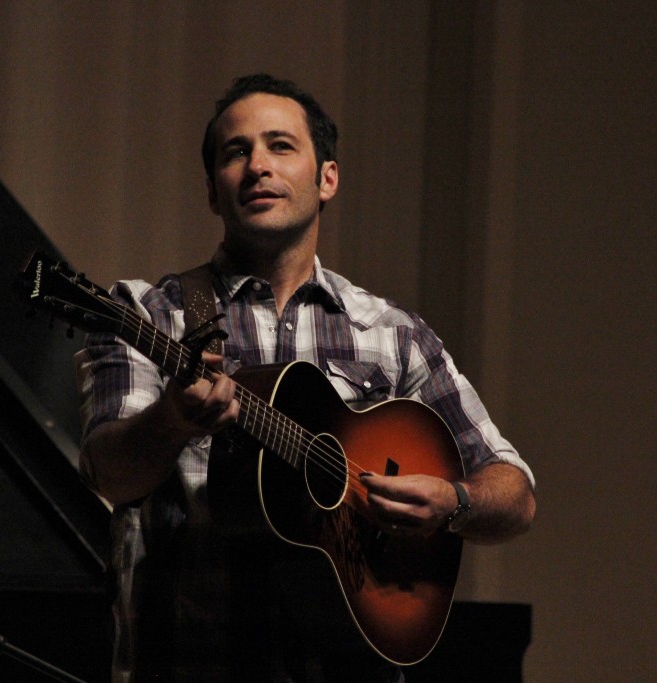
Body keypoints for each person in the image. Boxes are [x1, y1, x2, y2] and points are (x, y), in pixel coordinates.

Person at [76, 73, 536, 682]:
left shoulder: (391, 333)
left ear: (327, 178)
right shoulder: (149, 313)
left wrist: (455, 501)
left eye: (280, 146)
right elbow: (110, 473)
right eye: (235, 152)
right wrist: (171, 420)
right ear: (214, 191)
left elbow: (515, 491)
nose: (257, 166)